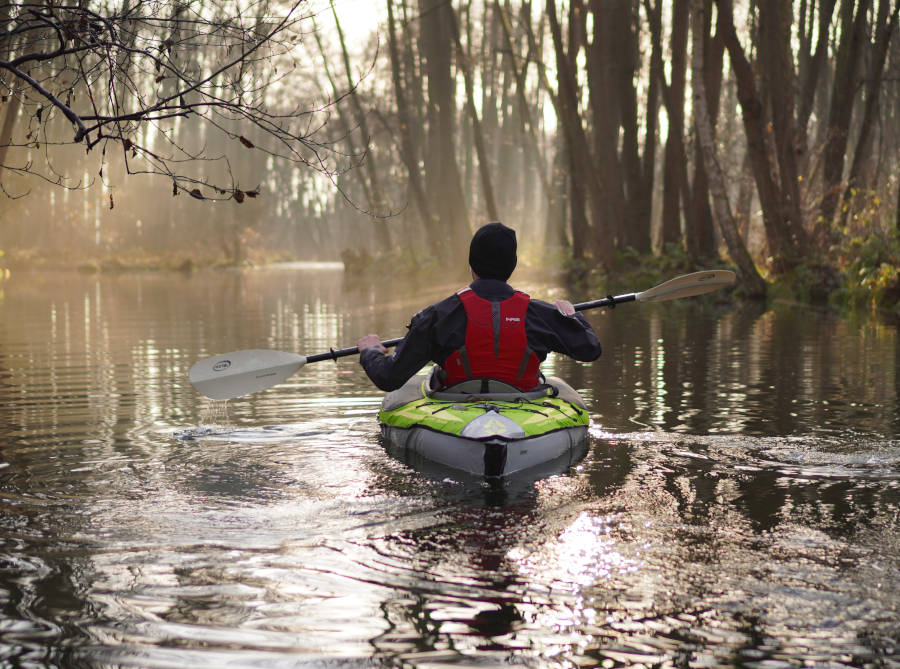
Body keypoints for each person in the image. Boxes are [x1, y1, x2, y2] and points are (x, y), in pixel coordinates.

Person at [357, 221, 602, 392]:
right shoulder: (542, 314)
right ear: (513, 265)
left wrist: (371, 352)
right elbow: (590, 350)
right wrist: (572, 316)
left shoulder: (437, 316)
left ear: (471, 264)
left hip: (456, 409)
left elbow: (388, 378)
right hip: (524, 405)